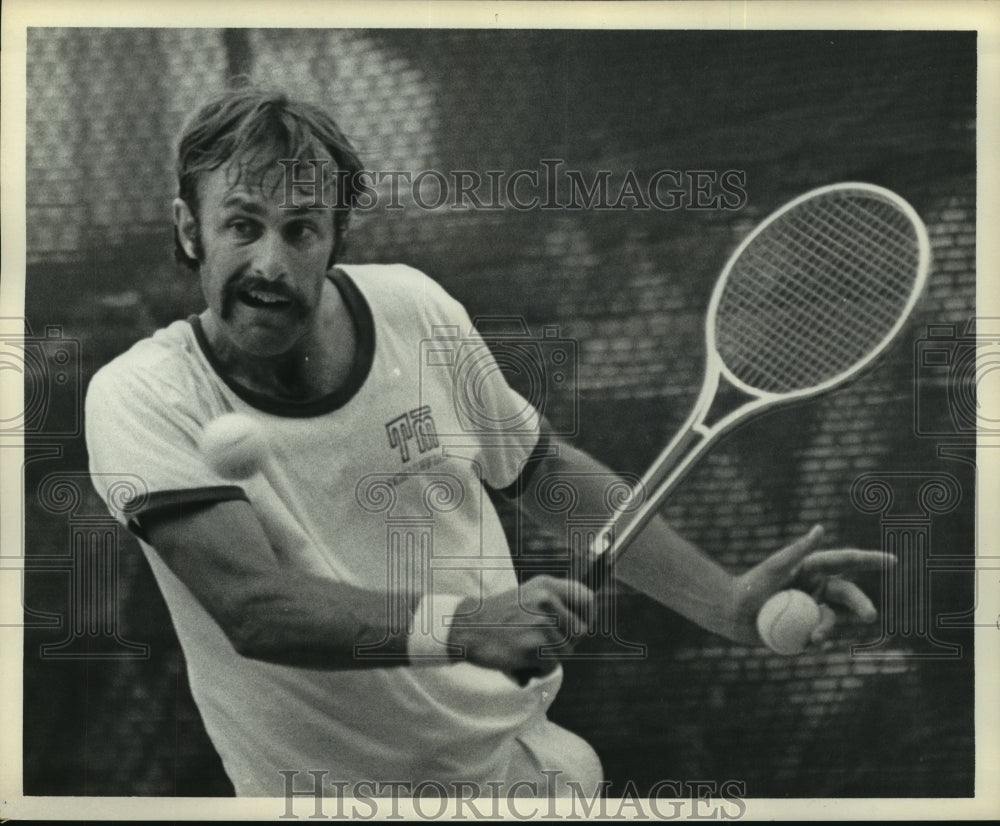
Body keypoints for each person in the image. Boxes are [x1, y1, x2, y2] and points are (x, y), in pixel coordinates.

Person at [84, 85, 891, 799]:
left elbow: (543, 475)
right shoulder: (141, 397)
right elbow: (256, 609)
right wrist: (469, 625)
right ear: (190, 229)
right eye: (241, 224)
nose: (270, 261)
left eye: (301, 229)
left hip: (517, 774)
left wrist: (725, 602)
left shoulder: (415, 313)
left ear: (336, 239)